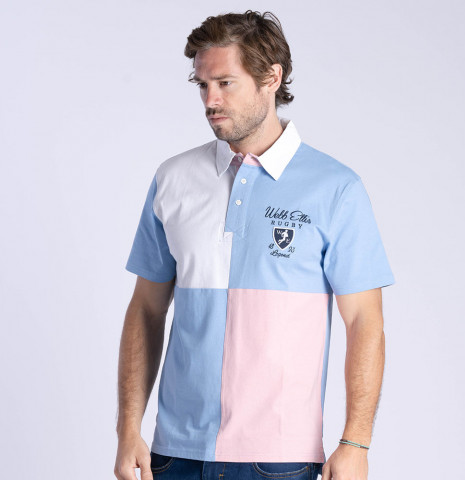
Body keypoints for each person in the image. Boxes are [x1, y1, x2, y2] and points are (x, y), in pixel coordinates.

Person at [114, 9, 395, 480]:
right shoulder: (173, 179)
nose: (210, 100)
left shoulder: (335, 188)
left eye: (225, 83)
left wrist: (355, 442)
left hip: (278, 460)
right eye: (202, 85)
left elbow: (365, 320)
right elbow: (146, 308)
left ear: (271, 78)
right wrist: (128, 429)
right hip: (174, 455)